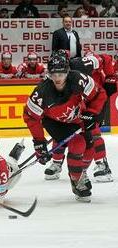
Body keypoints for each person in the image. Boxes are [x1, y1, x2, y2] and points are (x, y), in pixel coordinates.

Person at [23, 55, 107, 202]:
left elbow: (99, 94)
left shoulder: (78, 79)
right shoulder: (42, 91)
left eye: (61, 74)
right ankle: (76, 180)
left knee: (90, 149)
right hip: (54, 122)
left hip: (76, 118)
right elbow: (30, 117)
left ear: (67, 72)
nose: (57, 78)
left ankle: (81, 172)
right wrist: (39, 142)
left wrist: (92, 114)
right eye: (53, 74)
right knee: (78, 143)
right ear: (48, 74)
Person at [44, 50, 117, 182]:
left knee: (92, 130)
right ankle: (56, 162)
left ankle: (102, 165)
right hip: (78, 99)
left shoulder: (82, 63)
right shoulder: (54, 76)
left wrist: (110, 78)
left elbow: (105, 58)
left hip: (95, 96)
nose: (56, 75)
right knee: (61, 130)